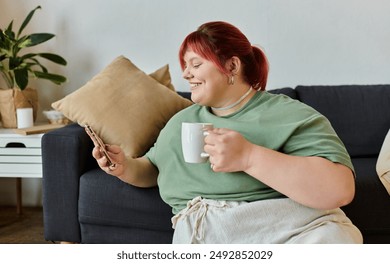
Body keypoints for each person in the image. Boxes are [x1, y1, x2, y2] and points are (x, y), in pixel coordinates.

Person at [91, 21, 363, 244]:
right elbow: (153, 168)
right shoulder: (180, 122)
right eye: (185, 66)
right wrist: (124, 166)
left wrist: (249, 157)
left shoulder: (291, 115)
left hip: (293, 230)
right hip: (208, 232)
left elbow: (339, 189)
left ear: (232, 67)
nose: (186, 74)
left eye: (196, 64)